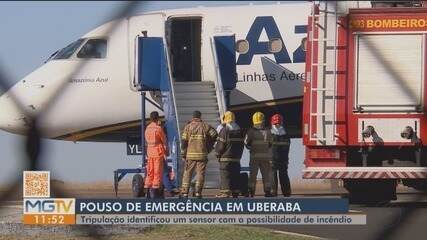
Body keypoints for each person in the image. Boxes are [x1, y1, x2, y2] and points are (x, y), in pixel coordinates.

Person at [180, 110, 218, 198]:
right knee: (200, 174)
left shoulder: (188, 127)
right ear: (200, 117)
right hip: (202, 154)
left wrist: (183, 154)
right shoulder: (205, 126)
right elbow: (215, 135)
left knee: (187, 173)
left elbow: (184, 142)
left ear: (193, 117)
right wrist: (209, 146)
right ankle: (198, 192)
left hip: (190, 155)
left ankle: (185, 192)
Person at [215, 111, 245, 198]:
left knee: (225, 175)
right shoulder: (239, 131)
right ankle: (235, 192)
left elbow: (220, 145)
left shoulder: (224, 131)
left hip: (225, 158)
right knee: (235, 175)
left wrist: (217, 154)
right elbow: (242, 145)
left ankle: (225, 192)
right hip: (236, 158)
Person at [244, 111, 273, 197]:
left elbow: (246, 142)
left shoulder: (250, 131)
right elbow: (270, 143)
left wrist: (250, 148)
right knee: (266, 175)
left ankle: (251, 191)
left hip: (254, 157)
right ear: (263, 120)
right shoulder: (268, 131)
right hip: (265, 157)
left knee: (253, 175)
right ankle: (267, 191)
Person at [144, 111, 168, 198]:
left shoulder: (147, 129)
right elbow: (164, 140)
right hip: (157, 153)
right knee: (157, 172)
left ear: (150, 118)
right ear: (157, 118)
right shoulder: (158, 129)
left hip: (149, 153)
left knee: (150, 172)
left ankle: (147, 191)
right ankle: (156, 192)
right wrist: (166, 151)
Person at [270, 114, 291, 197]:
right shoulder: (286, 134)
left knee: (272, 174)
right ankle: (287, 192)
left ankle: (273, 192)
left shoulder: (269, 133)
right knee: (284, 175)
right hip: (283, 159)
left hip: (273, 158)